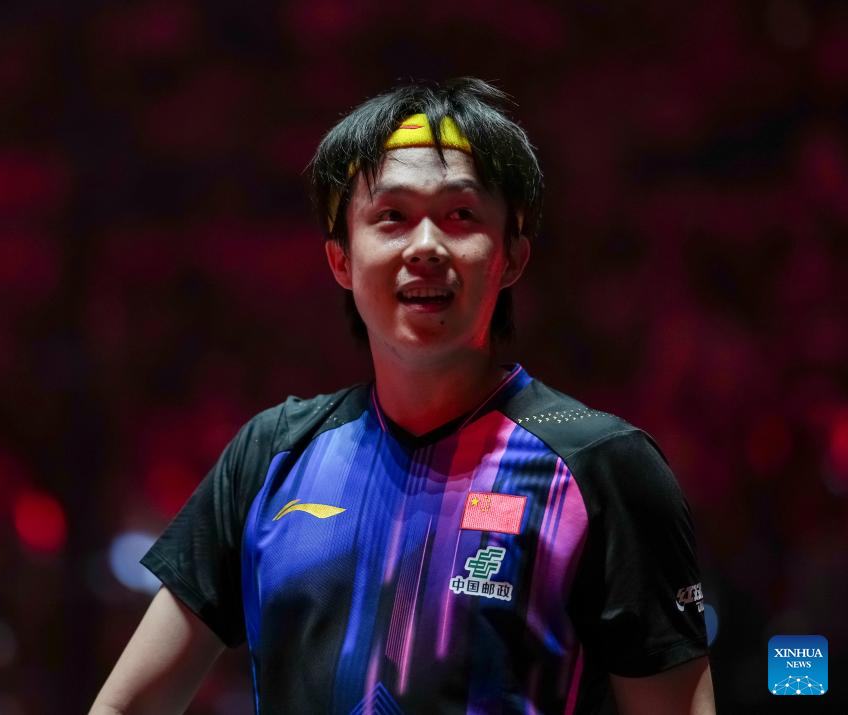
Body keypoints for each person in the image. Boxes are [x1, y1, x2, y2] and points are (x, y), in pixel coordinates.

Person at [90, 78, 715, 715]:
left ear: (512, 257)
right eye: (392, 216)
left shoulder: (602, 467)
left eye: (461, 215)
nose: (426, 247)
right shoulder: (271, 456)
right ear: (340, 259)